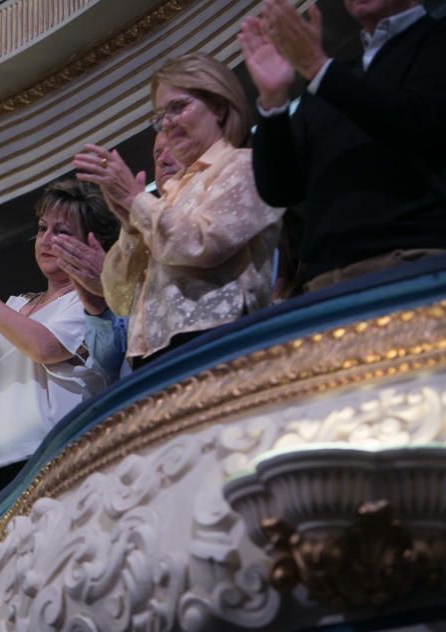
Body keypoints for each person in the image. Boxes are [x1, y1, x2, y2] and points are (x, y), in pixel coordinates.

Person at [74, 53, 284, 368]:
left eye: (178, 107)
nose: (168, 124)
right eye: (161, 115)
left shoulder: (241, 165)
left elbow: (203, 245)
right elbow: (119, 296)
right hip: (150, 355)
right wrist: (130, 225)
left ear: (218, 105)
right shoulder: (169, 194)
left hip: (216, 342)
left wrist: (135, 200)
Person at [239, 0, 446, 291]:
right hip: (324, 284)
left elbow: (420, 124)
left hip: (417, 265)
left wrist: (318, 67)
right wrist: (273, 101)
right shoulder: (333, 81)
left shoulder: (436, 40)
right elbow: (280, 189)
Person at [0, 179, 113, 496]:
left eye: (62, 231)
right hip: (1, 467)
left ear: (90, 242)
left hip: (60, 455)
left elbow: (44, 347)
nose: (47, 240)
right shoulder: (13, 305)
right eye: (42, 229)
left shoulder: (91, 299)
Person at [53, 132, 183, 381]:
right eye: (157, 153)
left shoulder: (216, 213)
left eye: (174, 147)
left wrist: (114, 286)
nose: (163, 159)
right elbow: (110, 365)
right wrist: (98, 309)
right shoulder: (133, 241)